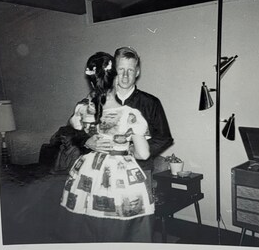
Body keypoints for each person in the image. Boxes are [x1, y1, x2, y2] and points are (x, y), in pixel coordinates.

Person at [58, 52, 155, 243]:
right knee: (121, 231)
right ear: (115, 78)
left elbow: (71, 131)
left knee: (85, 229)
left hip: (85, 176)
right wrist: (127, 149)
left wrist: (87, 141)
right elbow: (143, 154)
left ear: (92, 80)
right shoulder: (129, 114)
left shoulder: (81, 109)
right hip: (119, 177)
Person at [80, 47, 173, 188]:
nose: (125, 75)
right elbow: (73, 130)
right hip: (101, 171)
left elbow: (164, 137)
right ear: (112, 72)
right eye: (120, 69)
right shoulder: (96, 100)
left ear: (137, 72)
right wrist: (87, 141)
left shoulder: (151, 102)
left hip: (139, 170)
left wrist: (131, 150)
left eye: (130, 70)